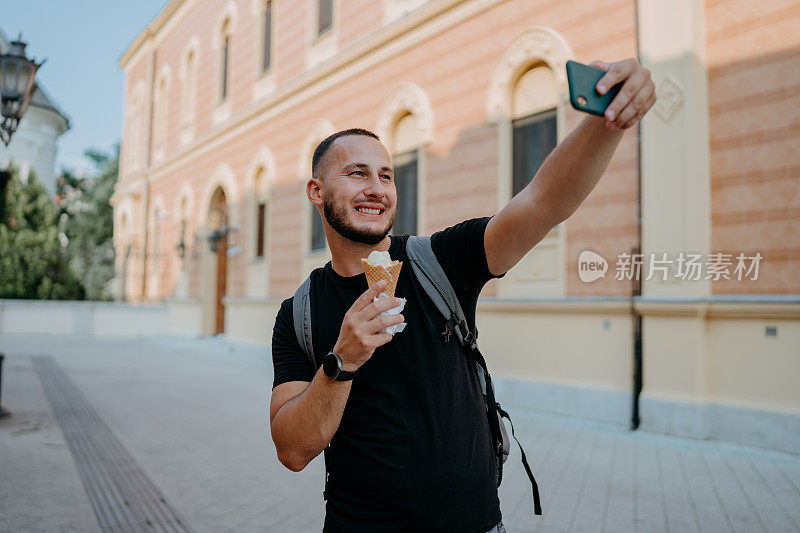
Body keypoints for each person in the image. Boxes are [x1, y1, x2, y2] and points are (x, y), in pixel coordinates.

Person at [269, 59, 656, 532]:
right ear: (316, 190)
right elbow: (292, 450)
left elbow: (544, 201)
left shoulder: (441, 261)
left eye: (386, 176)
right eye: (356, 173)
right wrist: (342, 361)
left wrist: (606, 121)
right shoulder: (299, 314)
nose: (376, 189)